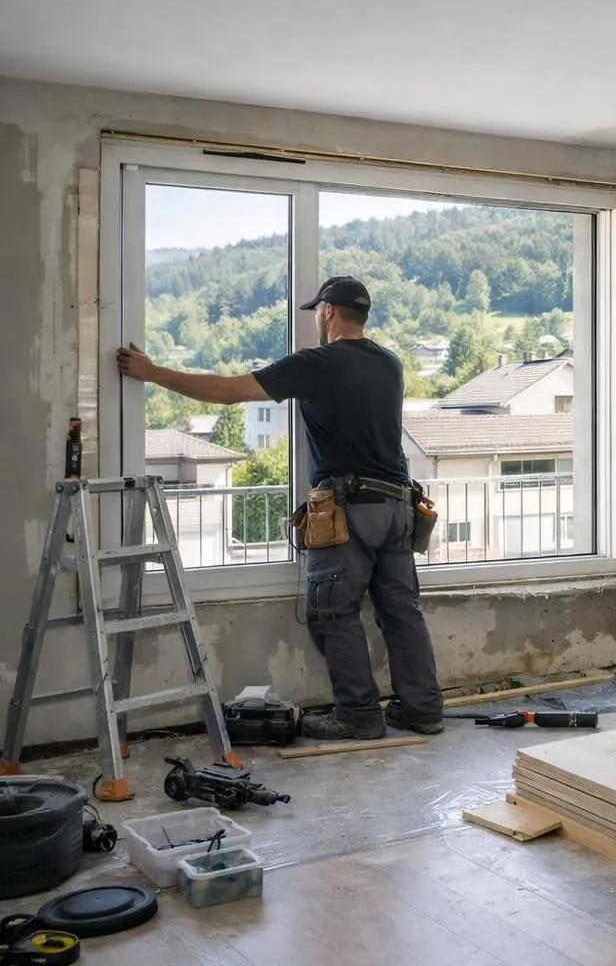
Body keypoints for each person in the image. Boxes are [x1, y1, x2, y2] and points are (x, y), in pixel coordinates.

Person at [117, 275, 444, 741]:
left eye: (316, 311)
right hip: (398, 508)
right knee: (401, 609)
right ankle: (423, 710)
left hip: (349, 510)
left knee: (333, 611)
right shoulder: (389, 363)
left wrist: (153, 373)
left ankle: (358, 717)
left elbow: (228, 390)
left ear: (329, 311)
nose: (315, 319)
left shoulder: (319, 363)